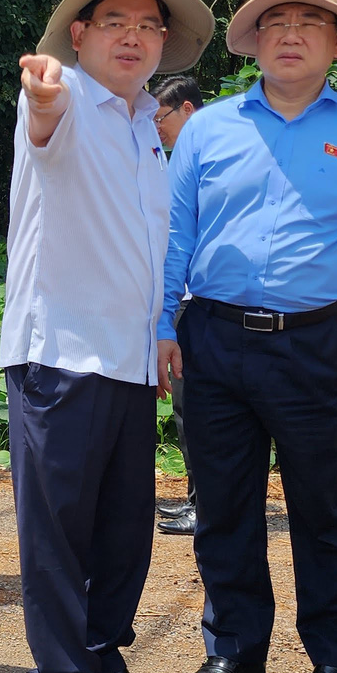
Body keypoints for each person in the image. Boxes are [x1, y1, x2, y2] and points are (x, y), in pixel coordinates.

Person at [160, 0, 337, 673]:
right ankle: (234, 648)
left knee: (322, 502)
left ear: (336, 43)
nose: (291, 34)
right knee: (223, 500)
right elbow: (175, 233)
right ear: (256, 41)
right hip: (214, 338)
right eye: (276, 22)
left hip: (312, 345)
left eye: (309, 23)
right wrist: (164, 325)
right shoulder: (209, 127)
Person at [4, 0, 215, 673]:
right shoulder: (65, 103)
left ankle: (101, 656)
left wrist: (161, 330)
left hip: (128, 359)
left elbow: (150, 245)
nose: (133, 37)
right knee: (58, 530)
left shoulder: (144, 128)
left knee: (124, 526)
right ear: (80, 33)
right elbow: (43, 122)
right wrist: (43, 96)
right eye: (115, 22)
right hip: (61, 354)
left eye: (149, 25)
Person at [150, 72, 203, 539]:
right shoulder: (173, 163)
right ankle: (196, 500)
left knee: (195, 410)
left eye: (160, 116)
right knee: (187, 411)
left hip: (198, 302)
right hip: (181, 302)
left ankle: (202, 506)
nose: (156, 127)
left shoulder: (205, 162)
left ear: (188, 109)